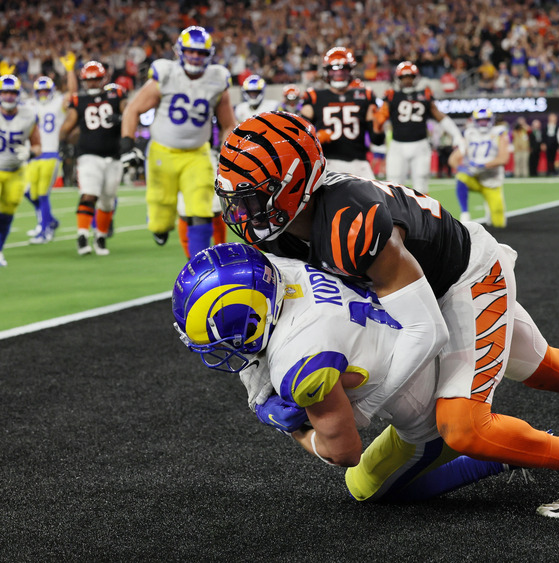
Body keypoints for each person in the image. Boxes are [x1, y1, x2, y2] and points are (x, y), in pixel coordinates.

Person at [214, 111, 559, 518]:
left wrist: (363, 409)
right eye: (235, 198)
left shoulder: (348, 223)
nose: (241, 211)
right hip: (422, 287)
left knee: (462, 423)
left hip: (464, 278)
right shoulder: (282, 228)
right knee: (538, 366)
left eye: (252, 198)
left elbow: (426, 330)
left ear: (296, 184)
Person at [173, 243, 521, 503]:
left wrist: (292, 428)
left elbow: (345, 452)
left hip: (431, 403)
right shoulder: (282, 264)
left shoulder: (298, 361)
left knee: (364, 486)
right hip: (446, 328)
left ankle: (503, 452)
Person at [120, 25, 236, 258]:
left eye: (201, 53)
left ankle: (199, 263)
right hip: (163, 152)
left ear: (209, 55)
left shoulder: (217, 79)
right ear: (179, 51)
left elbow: (228, 123)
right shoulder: (165, 74)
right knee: (161, 215)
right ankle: (160, 227)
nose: (195, 57)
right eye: (191, 51)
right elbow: (133, 109)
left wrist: (229, 152)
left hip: (197, 153)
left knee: (201, 208)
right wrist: (127, 146)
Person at [58, 62, 125, 256]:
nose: (93, 83)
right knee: (88, 194)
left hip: (113, 156)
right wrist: (63, 143)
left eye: (96, 78)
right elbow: (67, 125)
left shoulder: (116, 95)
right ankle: (81, 236)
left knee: (107, 201)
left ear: (103, 78)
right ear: (84, 81)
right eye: (89, 79)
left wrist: (120, 119)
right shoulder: (78, 100)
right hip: (88, 155)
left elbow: (130, 113)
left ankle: (101, 237)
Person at [372, 61, 462, 194]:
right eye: (404, 77)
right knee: (393, 185)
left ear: (415, 78)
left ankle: (422, 215)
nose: (407, 80)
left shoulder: (423, 94)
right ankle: (395, 215)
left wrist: (456, 133)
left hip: (420, 144)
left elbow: (439, 116)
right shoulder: (391, 96)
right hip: (398, 145)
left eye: (410, 77)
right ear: (399, 78)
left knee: (421, 185)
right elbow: (379, 119)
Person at [300, 47, 380, 179]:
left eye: (343, 70)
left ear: (350, 71)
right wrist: (316, 139)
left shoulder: (365, 95)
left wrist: (378, 126)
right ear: (326, 72)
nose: (338, 75)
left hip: (359, 162)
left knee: (375, 198)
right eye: (334, 71)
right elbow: (301, 137)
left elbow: (377, 140)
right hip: (328, 163)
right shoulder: (314, 97)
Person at [25, 54, 77, 244]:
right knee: (28, 192)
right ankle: (50, 221)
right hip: (34, 155)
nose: (44, 93)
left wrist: (70, 70)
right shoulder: (30, 105)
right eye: (40, 90)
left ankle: (45, 230)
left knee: (42, 194)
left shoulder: (57, 103)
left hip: (52, 153)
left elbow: (72, 93)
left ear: (52, 90)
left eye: (46, 90)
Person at [0, 74, 41, 267]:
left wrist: (30, 153)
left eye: (11, 93)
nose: (8, 97)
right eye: (5, 92)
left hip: (16, 171)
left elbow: (37, 145)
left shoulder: (28, 115)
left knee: (7, 214)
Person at [448, 108, 510, 227]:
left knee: (499, 224)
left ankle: (489, 206)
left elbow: (504, 158)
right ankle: (465, 213)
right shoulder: (469, 133)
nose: (483, 123)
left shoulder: (499, 132)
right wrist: (461, 168)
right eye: (480, 120)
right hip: (475, 178)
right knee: (461, 177)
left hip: (492, 181)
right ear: (475, 121)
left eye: (486, 120)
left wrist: (482, 165)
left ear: (491, 120)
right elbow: (452, 159)